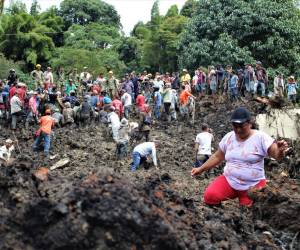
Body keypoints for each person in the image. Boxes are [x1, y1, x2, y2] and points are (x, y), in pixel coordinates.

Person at [191, 107, 289, 207]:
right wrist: (200, 169)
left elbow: (276, 155)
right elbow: (217, 156)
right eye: (235, 126)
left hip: (253, 185)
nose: (238, 130)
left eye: (242, 126)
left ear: (250, 123)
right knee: (210, 196)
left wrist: (280, 151)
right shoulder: (229, 137)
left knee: (250, 211)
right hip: (230, 181)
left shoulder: (261, 138)